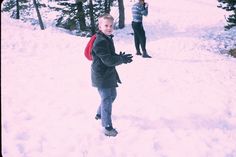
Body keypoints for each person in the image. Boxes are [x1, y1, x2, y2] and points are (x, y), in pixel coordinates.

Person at [91, 14, 133, 137]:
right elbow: (108, 60)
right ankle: (107, 127)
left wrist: (119, 56)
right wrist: (121, 60)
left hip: (108, 74)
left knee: (112, 96)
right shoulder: (100, 41)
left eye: (111, 25)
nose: (109, 28)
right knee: (107, 99)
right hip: (101, 75)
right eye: (106, 25)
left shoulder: (107, 38)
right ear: (100, 26)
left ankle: (99, 114)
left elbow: (110, 55)